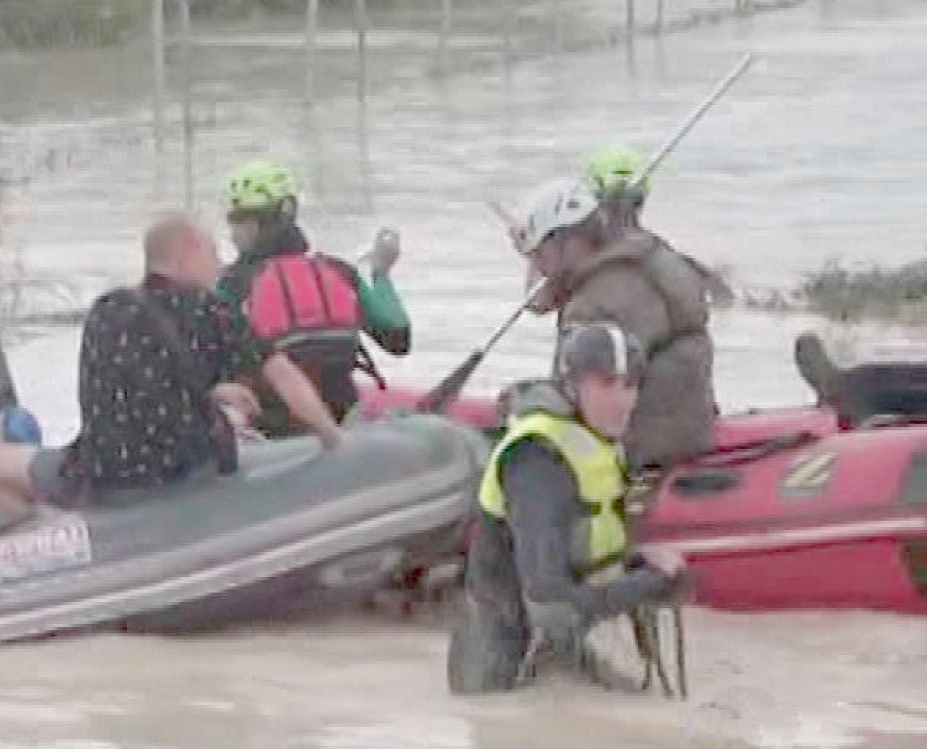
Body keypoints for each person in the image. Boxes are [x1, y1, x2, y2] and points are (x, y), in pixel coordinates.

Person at [0, 213, 344, 516]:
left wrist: (213, 388)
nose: (219, 265)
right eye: (212, 253)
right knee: (232, 426)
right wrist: (333, 439)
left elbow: (138, 382)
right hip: (185, 472)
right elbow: (283, 376)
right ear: (187, 254)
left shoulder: (108, 311)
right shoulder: (211, 312)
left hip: (103, 475)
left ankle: (47, 556)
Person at [448, 323, 690, 694]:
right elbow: (552, 602)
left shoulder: (598, 443)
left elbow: (581, 552)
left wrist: (637, 561)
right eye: (605, 384)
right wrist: (648, 584)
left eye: (630, 385)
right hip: (501, 667)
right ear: (571, 386)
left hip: (555, 648)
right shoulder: (537, 461)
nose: (621, 400)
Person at [517, 176, 717, 470]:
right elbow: (540, 300)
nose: (539, 265)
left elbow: (574, 397)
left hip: (643, 440)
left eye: (540, 255)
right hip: (690, 414)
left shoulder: (598, 304)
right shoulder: (645, 256)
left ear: (567, 242)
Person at [214, 160, 411, 436]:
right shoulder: (339, 271)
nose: (234, 233)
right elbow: (397, 336)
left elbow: (202, 357)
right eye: (233, 222)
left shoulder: (232, 286)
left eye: (242, 222)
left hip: (272, 427)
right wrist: (381, 274)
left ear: (267, 221)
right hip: (344, 415)